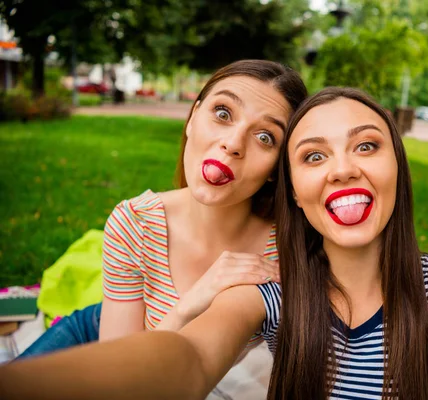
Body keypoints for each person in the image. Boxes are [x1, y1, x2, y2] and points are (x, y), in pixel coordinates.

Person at [1, 88, 428, 400]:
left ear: (399, 168)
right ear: (298, 191)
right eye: (314, 156)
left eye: (366, 145)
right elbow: (186, 361)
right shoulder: (271, 300)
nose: (340, 169)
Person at [15, 59, 307, 397]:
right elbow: (119, 377)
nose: (233, 143)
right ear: (192, 119)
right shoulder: (136, 221)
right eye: (223, 114)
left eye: (265, 137)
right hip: (92, 331)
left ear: (276, 168)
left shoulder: (285, 249)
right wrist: (193, 301)